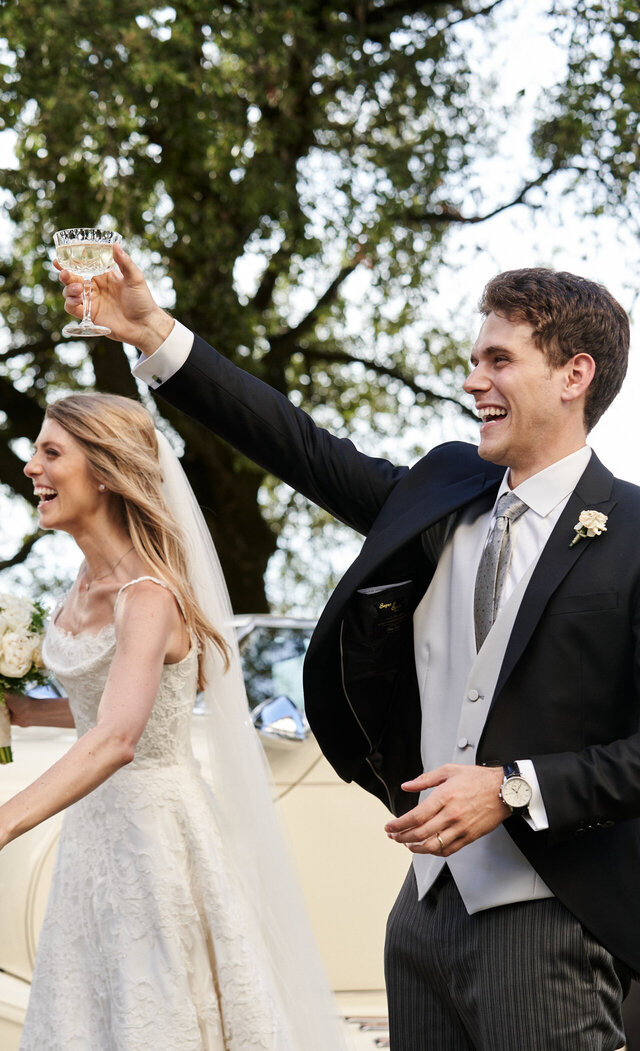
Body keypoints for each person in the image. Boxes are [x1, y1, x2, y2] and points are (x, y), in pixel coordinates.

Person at [57, 249, 639, 1051]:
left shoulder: (635, 535)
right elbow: (302, 447)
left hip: (553, 914)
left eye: (499, 360)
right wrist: (152, 331)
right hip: (423, 915)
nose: (474, 382)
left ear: (575, 375)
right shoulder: (446, 487)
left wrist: (511, 787)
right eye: (475, 361)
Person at [0, 392, 345, 1050]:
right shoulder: (82, 584)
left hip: (155, 836)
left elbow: (116, 738)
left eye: (52, 452)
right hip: (92, 833)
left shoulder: (148, 595)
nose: (31, 467)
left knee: (156, 1010)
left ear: (106, 470)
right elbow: (103, 708)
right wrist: (26, 712)